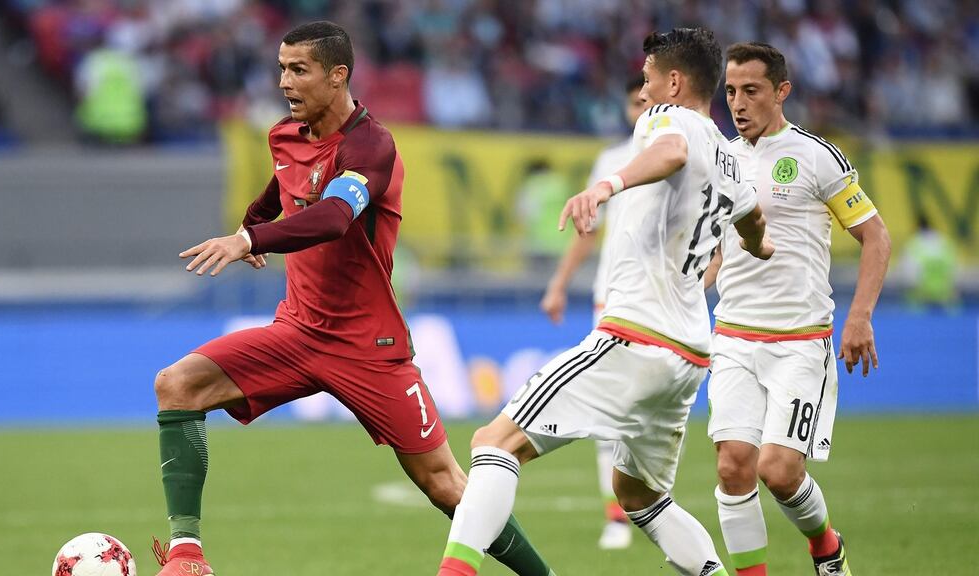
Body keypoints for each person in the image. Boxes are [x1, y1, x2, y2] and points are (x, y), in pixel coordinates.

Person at [152, 21, 554, 576]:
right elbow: (280, 189)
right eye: (281, 68)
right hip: (295, 333)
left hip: (370, 346)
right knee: (177, 385)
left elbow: (336, 217)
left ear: (338, 75)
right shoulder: (285, 136)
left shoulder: (372, 146)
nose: (285, 82)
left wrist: (249, 238)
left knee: (445, 485)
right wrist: (253, 222)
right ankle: (186, 556)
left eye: (299, 70)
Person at [437, 27, 774, 576]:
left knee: (493, 443)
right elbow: (754, 223)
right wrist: (762, 245)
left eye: (646, 80)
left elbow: (671, 150)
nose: (641, 93)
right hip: (688, 354)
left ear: (673, 81)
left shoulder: (666, 119)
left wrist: (605, 187)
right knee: (638, 494)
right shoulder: (735, 160)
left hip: (634, 336)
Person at [702, 42, 891, 576]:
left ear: (782, 91)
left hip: (799, 343)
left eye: (751, 91)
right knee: (733, 465)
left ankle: (826, 546)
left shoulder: (814, 155)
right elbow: (718, 247)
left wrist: (860, 317)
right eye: (731, 92)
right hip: (734, 337)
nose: (738, 103)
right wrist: (696, 286)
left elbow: (875, 237)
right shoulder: (722, 157)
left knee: (779, 471)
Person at [538, 75, 649, 550]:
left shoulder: (686, 151)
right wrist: (559, 285)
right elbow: (588, 230)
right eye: (632, 102)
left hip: (664, 303)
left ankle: (648, 505)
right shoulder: (611, 160)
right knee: (611, 406)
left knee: (651, 414)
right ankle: (617, 517)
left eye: (646, 100)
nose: (639, 108)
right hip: (613, 298)